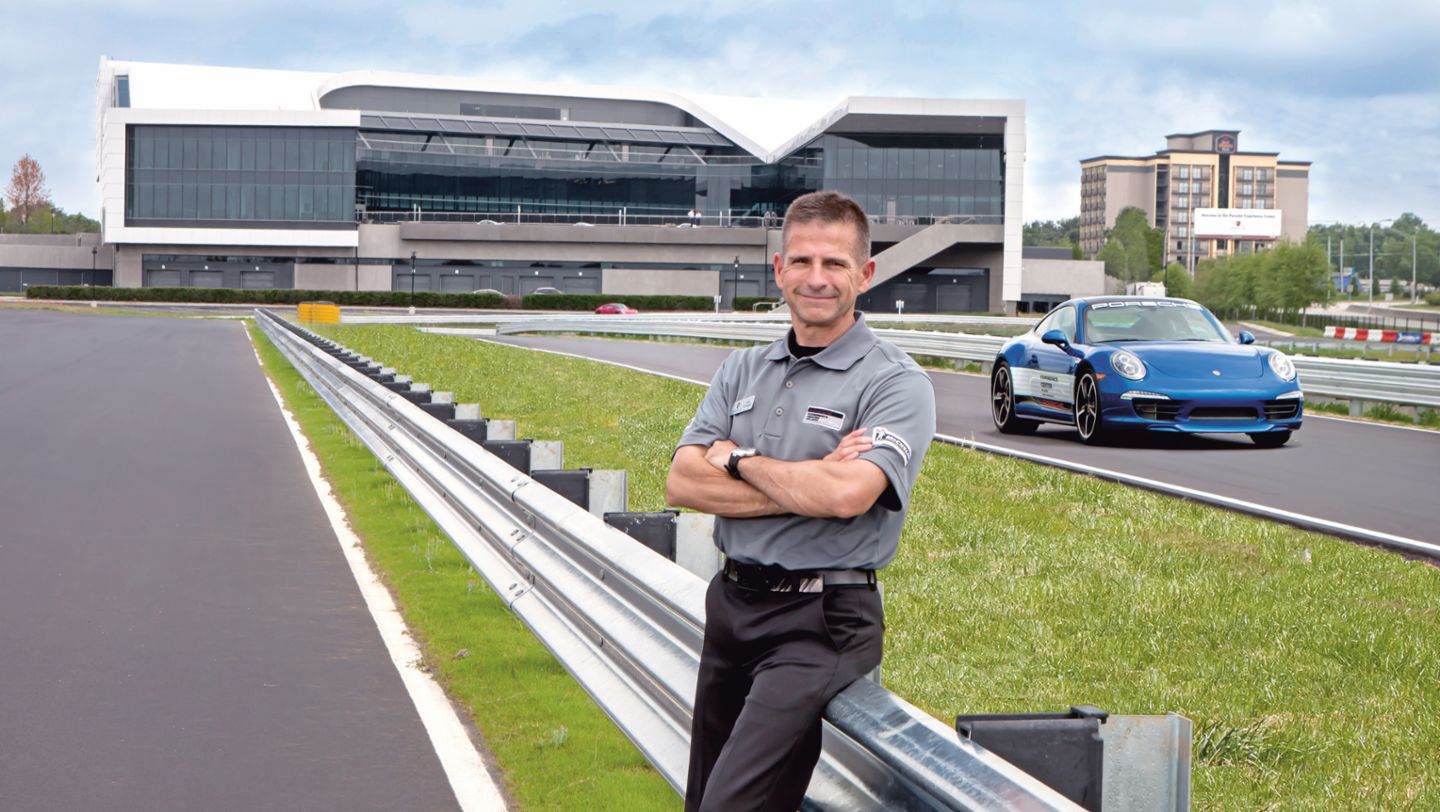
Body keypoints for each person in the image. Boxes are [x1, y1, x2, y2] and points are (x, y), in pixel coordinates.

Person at [666, 190, 936, 811]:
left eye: (836, 264)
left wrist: (739, 461)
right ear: (779, 268)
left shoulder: (894, 382)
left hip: (820, 622)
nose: (818, 279)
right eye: (804, 261)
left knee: (730, 807)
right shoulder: (742, 368)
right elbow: (681, 482)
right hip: (731, 605)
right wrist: (807, 480)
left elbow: (848, 496)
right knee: (704, 799)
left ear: (865, 275)